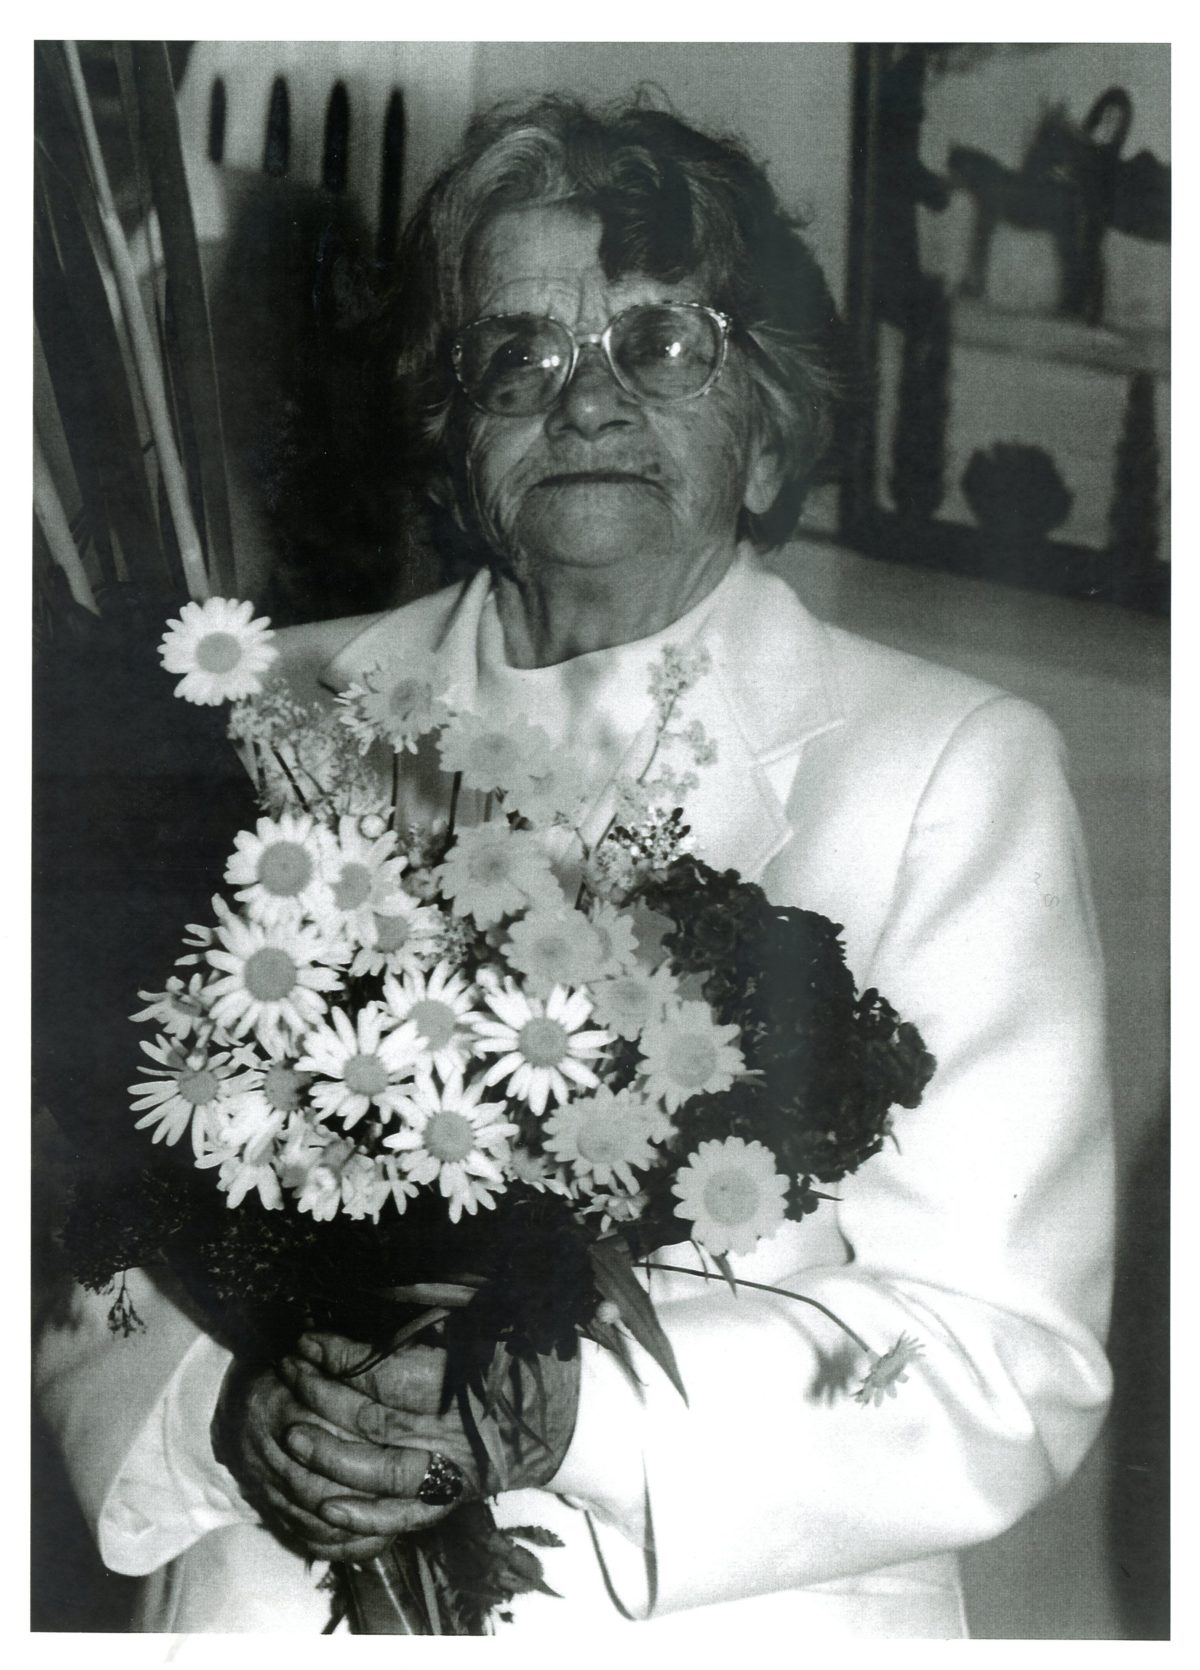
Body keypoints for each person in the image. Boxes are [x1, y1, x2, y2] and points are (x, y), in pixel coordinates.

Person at [36, 94, 1114, 1638]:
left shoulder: (944, 769)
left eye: (663, 344)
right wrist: (216, 1406)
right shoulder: (267, 715)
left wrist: (569, 1414)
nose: (589, 401)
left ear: (769, 425)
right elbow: (84, 1228)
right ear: (448, 425)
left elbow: (1002, 1355)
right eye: (517, 356)